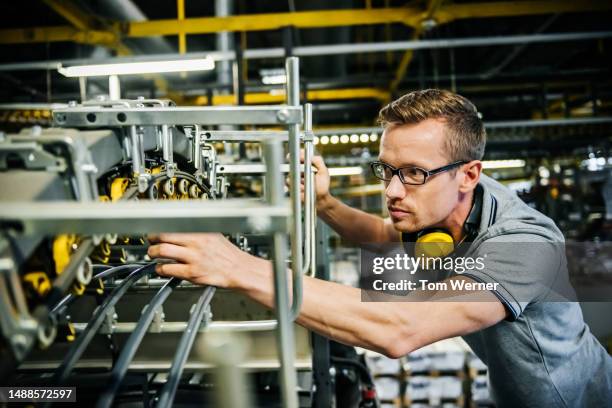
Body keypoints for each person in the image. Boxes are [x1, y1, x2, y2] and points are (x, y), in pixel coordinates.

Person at [148, 89, 611, 407]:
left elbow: (401, 329)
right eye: (386, 170)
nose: (391, 190)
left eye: (412, 172)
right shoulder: (446, 206)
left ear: (468, 173)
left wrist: (237, 266)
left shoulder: (526, 244)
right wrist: (324, 203)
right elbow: (386, 238)